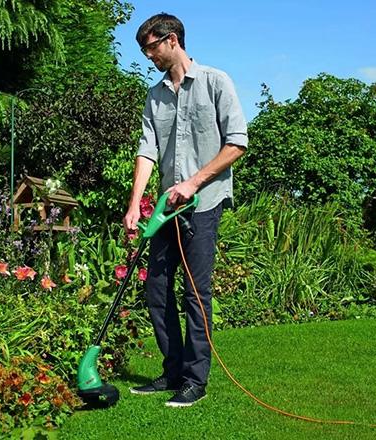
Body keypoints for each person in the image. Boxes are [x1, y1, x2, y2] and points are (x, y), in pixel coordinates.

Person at [123, 13, 248, 407]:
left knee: (196, 293)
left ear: (172, 40)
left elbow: (238, 143)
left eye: (151, 47)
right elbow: (147, 150)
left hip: (203, 204)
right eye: (144, 49)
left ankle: (196, 380)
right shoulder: (155, 94)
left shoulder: (215, 82)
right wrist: (134, 204)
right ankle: (172, 370)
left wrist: (194, 182)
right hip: (165, 209)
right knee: (156, 290)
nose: (148, 56)